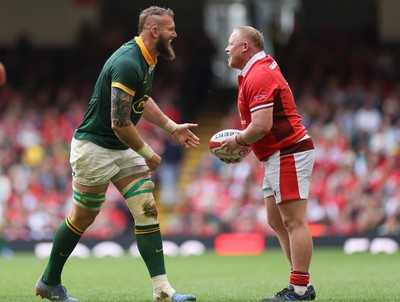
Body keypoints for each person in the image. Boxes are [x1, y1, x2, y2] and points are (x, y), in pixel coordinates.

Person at [35, 6, 199, 302]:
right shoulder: (128, 62)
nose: (175, 34)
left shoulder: (147, 58)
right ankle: (49, 281)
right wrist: (148, 152)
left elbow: (142, 99)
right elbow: (120, 122)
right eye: (170, 29)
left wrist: (171, 127)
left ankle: (162, 289)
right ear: (153, 32)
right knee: (82, 218)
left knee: (146, 210)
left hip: (120, 147)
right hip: (95, 148)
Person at [221, 26, 316, 301]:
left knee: (293, 220)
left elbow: (261, 125)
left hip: (288, 151)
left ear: (245, 48)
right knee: (276, 220)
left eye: (231, 43)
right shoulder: (256, 70)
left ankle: (299, 289)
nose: (227, 49)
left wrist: (238, 141)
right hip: (277, 154)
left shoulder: (259, 73)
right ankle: (299, 283)